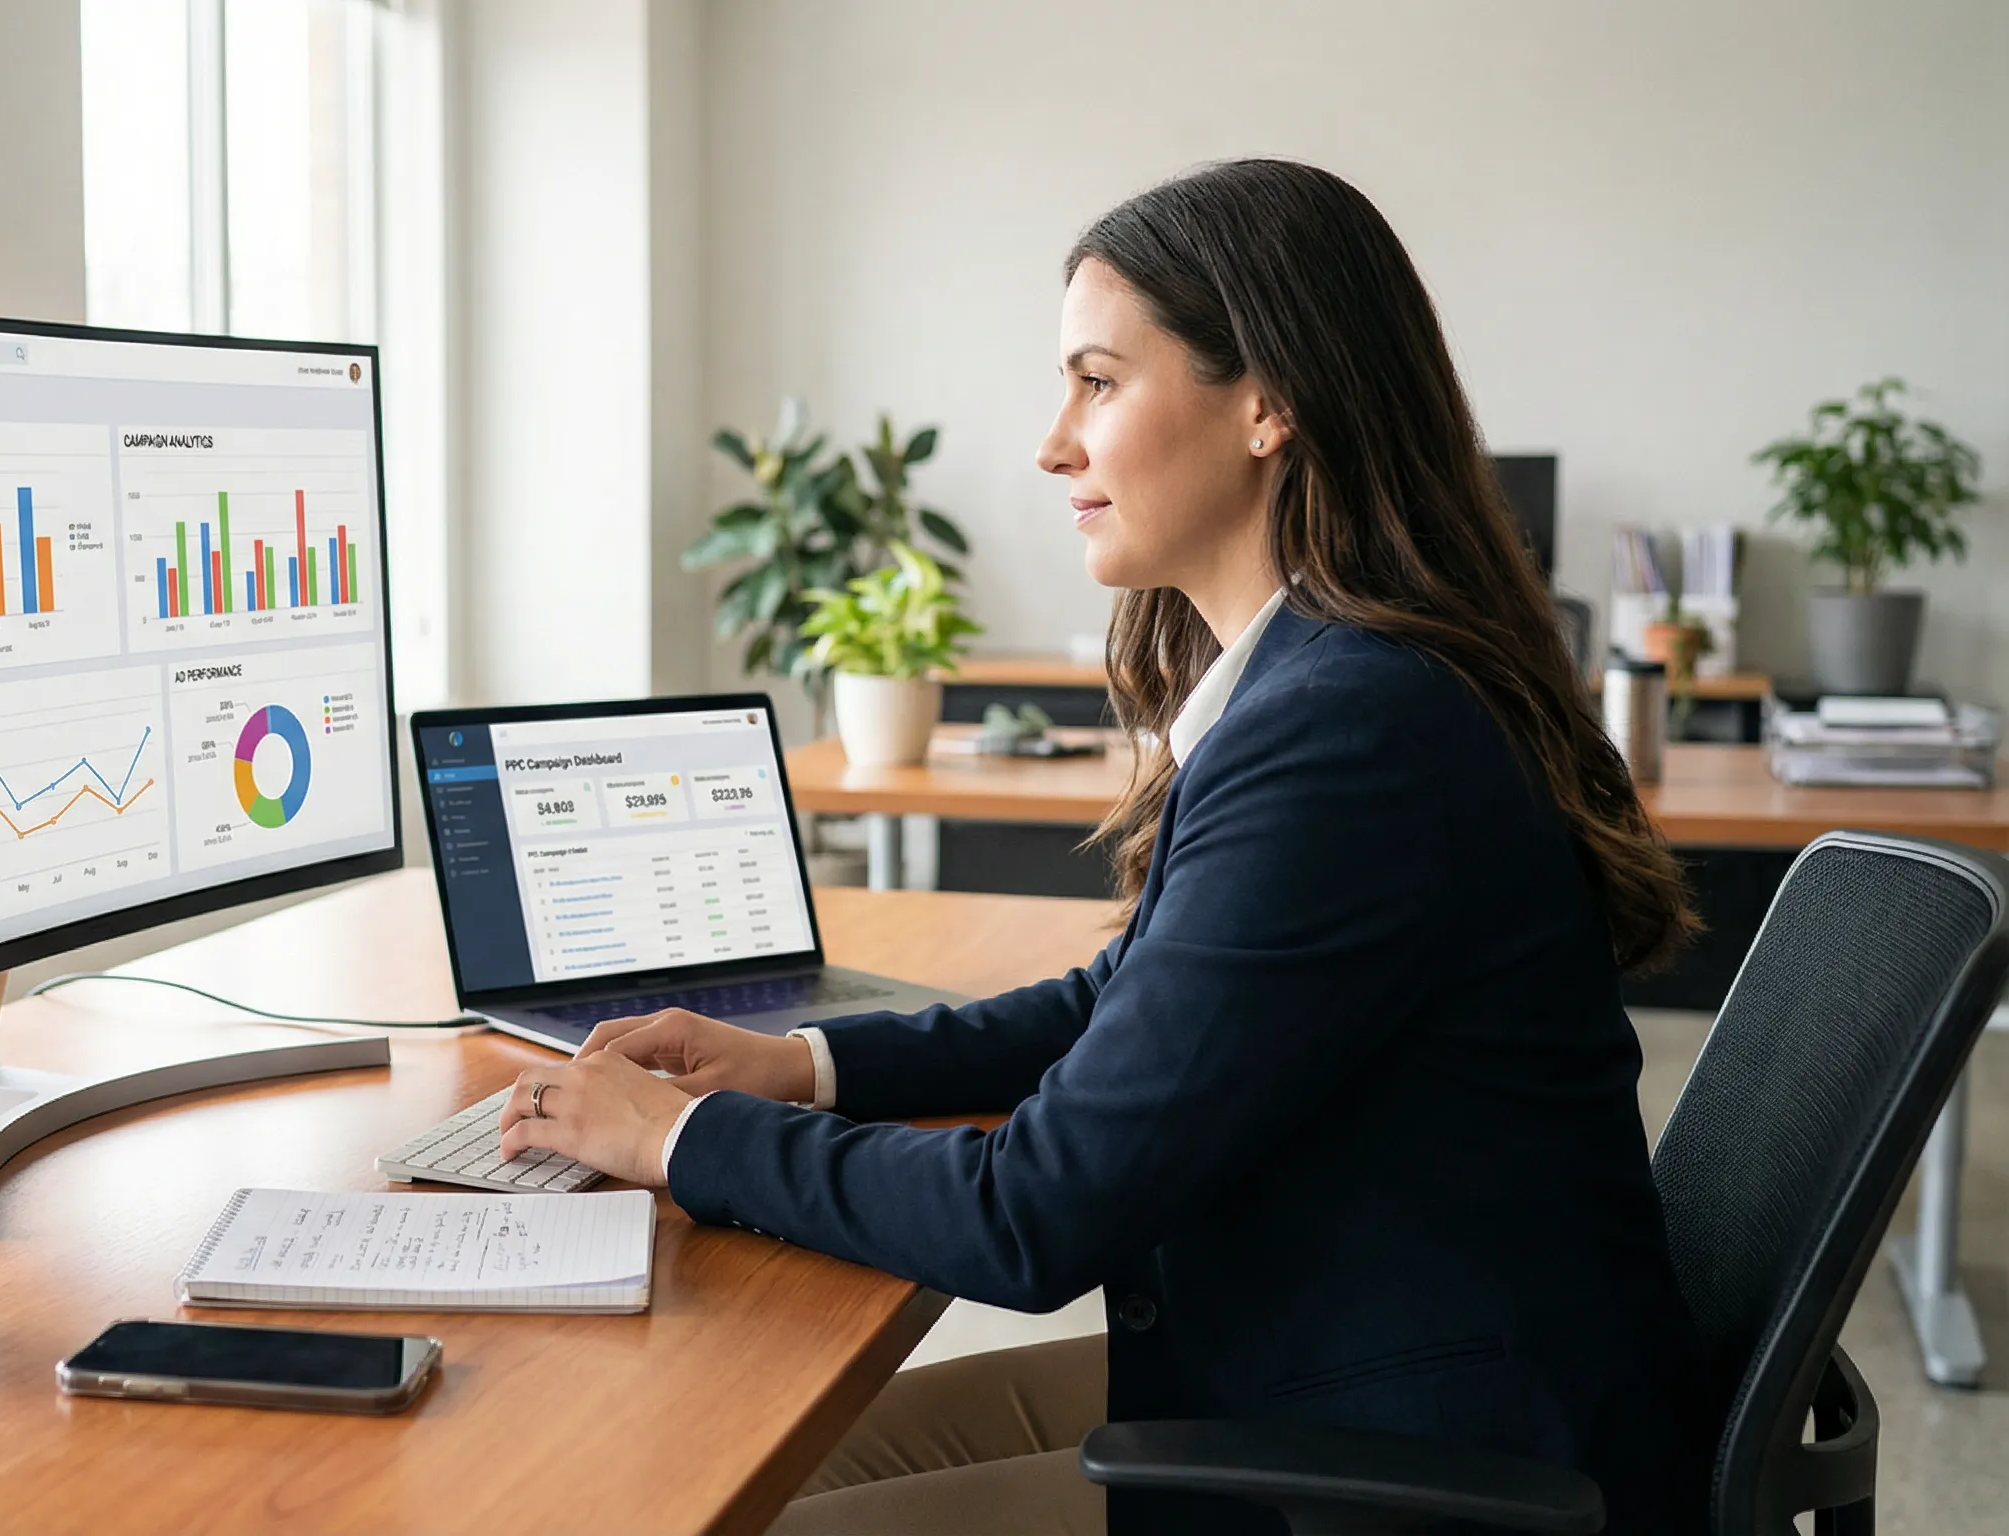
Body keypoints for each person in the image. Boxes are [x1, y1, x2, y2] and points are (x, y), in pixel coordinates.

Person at [494, 158, 1712, 1536]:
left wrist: (690, 1139)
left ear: (1266, 404)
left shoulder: (1350, 732)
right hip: (1354, 1362)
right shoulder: (1330, 680)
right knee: (769, 1479)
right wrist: (803, 1063)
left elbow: (1032, 1215)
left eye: (1098, 380)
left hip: (1424, 1460)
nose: (1054, 442)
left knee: (759, 1516)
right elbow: (1125, 1004)